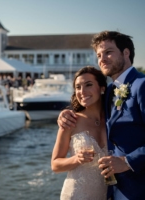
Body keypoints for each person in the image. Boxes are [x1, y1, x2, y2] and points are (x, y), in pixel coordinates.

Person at [57, 31, 145, 200]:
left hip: (138, 188)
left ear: (126, 53)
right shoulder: (111, 90)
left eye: (108, 52)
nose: (102, 59)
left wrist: (127, 162)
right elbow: (88, 102)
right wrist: (65, 113)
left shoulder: (141, 85)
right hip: (111, 190)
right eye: (99, 55)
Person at [51, 66, 107, 200]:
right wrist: (77, 159)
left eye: (88, 85)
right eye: (78, 87)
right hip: (75, 195)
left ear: (102, 88)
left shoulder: (112, 120)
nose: (82, 91)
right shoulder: (71, 121)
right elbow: (55, 164)